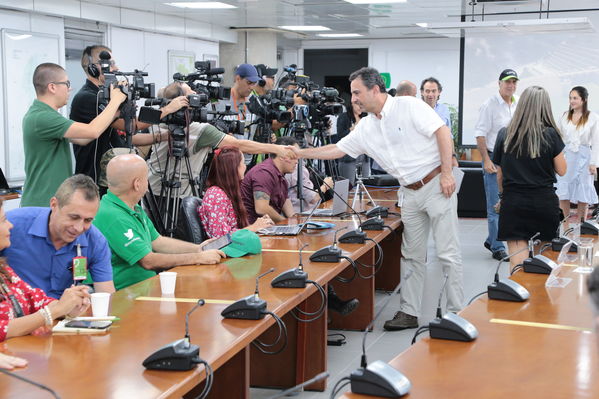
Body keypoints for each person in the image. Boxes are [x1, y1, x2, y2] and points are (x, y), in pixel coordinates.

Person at [290, 67, 462, 331]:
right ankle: (409, 312)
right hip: (410, 193)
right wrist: (301, 153)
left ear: (374, 89)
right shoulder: (366, 127)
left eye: (357, 92)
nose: (354, 98)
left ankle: (455, 315)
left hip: (437, 185)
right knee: (412, 256)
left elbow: (442, 132)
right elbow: (337, 149)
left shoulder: (409, 106)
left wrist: (448, 173)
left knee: (447, 253)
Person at [93, 154, 225, 290]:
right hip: (128, 296)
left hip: (146, 288)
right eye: (146, 177)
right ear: (137, 184)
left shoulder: (130, 207)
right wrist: (197, 258)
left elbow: (157, 241)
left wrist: (198, 249)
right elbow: (148, 261)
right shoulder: (114, 216)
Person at [147, 81, 296, 200]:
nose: (196, 94)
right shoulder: (200, 130)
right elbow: (239, 144)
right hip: (178, 196)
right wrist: (275, 148)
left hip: (151, 191)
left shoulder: (157, 123)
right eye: (191, 93)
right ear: (181, 101)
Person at [70, 45, 186, 190]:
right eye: (111, 64)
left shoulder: (105, 96)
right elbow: (133, 125)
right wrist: (168, 109)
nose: (116, 68)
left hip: (113, 175)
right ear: (93, 68)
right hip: (96, 180)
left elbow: (127, 134)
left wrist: (164, 136)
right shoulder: (88, 97)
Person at [21, 62, 126, 207]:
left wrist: (116, 111)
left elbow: (84, 139)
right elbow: (93, 131)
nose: (69, 88)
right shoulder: (42, 117)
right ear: (52, 87)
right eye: (66, 83)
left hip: (50, 200)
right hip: (42, 202)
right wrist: (115, 100)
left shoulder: (45, 115)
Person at [1, 175, 115, 299]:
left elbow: (106, 296)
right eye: (74, 217)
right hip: (19, 314)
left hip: (67, 313)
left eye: (88, 220)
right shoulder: (12, 225)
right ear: (54, 205)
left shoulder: (95, 240)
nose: (78, 227)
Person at [492, 86, 566, 267]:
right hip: (543, 202)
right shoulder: (551, 134)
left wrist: (502, 197)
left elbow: (499, 174)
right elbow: (562, 170)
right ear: (545, 107)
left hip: (514, 203)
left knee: (517, 265)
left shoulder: (505, 134)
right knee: (545, 264)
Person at [0, 199, 90, 342]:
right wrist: (55, 311)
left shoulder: (4, 270)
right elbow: (2, 328)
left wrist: (68, 307)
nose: (10, 225)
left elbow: (35, 299)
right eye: (4, 221)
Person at [474, 69, 519, 261]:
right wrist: (486, 160)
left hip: (512, 160)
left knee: (508, 203)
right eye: (507, 82)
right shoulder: (489, 105)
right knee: (495, 205)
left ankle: (491, 239)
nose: (511, 85)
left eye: (514, 82)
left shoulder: (517, 104)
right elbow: (480, 134)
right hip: (494, 158)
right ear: (499, 83)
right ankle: (498, 247)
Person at [198, 146, 274, 238]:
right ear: (233, 167)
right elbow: (220, 237)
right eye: (242, 163)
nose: (245, 166)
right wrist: (254, 227)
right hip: (223, 251)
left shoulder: (227, 191)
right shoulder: (216, 195)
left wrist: (260, 225)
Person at [555, 86, 599, 227]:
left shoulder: (593, 117)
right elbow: (558, 139)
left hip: (585, 158)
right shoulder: (564, 116)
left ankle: (581, 225)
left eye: (575, 98)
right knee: (564, 192)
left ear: (584, 99)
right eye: (570, 98)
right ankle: (565, 227)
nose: (572, 101)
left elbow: (597, 141)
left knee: (583, 191)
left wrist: (594, 163)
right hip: (567, 157)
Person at [241, 136, 299, 224]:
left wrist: (297, 222)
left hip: (266, 228)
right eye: (293, 156)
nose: (297, 161)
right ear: (281, 156)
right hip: (253, 231)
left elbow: (287, 206)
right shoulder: (264, 173)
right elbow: (261, 208)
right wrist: (285, 223)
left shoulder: (280, 176)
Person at [336, 102, 370, 184]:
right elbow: (340, 136)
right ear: (351, 105)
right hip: (348, 156)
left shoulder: (365, 117)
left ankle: (362, 196)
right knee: (348, 184)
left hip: (363, 155)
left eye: (362, 105)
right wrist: (352, 128)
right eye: (358, 105)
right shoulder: (344, 117)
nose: (360, 107)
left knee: (364, 183)